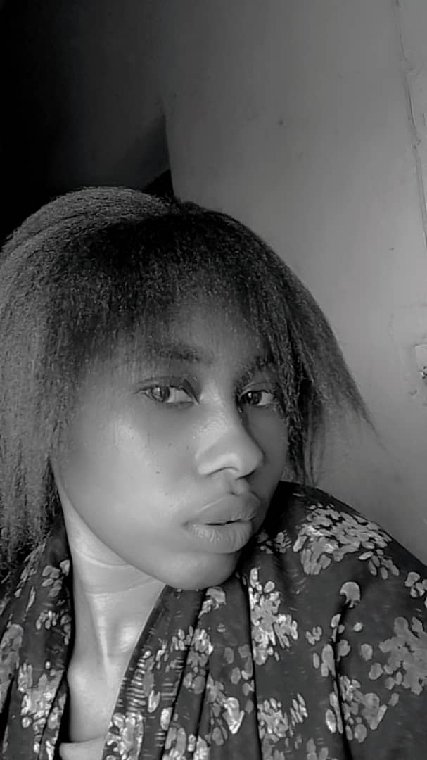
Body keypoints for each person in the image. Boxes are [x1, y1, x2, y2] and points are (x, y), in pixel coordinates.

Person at [0, 187, 425, 760]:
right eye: (168, 392)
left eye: (258, 395)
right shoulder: (12, 621)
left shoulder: (354, 591)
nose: (244, 454)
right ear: (43, 408)